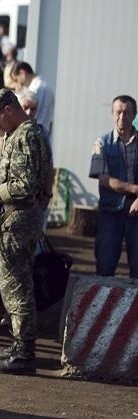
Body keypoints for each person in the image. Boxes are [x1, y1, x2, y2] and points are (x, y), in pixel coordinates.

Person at [0, 89, 52, 375]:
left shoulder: (25, 135)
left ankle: (24, 352)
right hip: (22, 219)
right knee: (17, 283)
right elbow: (31, 179)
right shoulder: (30, 133)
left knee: (16, 286)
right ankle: (18, 345)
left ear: (7, 110)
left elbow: (24, 187)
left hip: (17, 221)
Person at [89, 95, 138, 281]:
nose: (122, 116)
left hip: (137, 212)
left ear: (134, 115)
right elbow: (105, 180)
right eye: (118, 112)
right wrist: (135, 190)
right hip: (110, 211)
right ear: (112, 114)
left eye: (127, 112)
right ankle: (99, 308)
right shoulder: (101, 144)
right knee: (105, 265)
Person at [10, 62, 55, 135]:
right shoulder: (45, 85)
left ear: (22, 73)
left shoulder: (36, 88)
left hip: (37, 131)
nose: (18, 83)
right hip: (44, 131)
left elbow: (34, 115)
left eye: (16, 79)